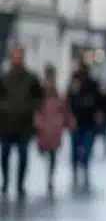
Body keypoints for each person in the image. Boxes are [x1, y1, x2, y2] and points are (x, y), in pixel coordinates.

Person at [0, 45, 45, 198]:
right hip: (6, 123)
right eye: (14, 56)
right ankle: (5, 182)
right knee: (5, 154)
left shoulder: (31, 78)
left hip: (24, 124)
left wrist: (30, 107)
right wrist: (5, 108)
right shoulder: (4, 78)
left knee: (23, 155)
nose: (16, 59)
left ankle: (20, 185)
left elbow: (39, 98)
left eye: (19, 56)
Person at [33, 65, 72, 193]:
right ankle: (49, 175)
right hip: (44, 129)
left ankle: (50, 178)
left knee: (53, 154)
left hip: (55, 129)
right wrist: (38, 122)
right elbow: (36, 110)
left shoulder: (58, 94)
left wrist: (66, 122)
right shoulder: (40, 94)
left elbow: (65, 110)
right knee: (44, 151)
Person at [66, 68, 102, 186]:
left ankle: (84, 168)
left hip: (88, 123)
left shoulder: (92, 85)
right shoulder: (73, 85)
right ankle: (76, 171)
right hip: (77, 123)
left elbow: (98, 101)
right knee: (75, 149)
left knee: (86, 149)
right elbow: (68, 103)